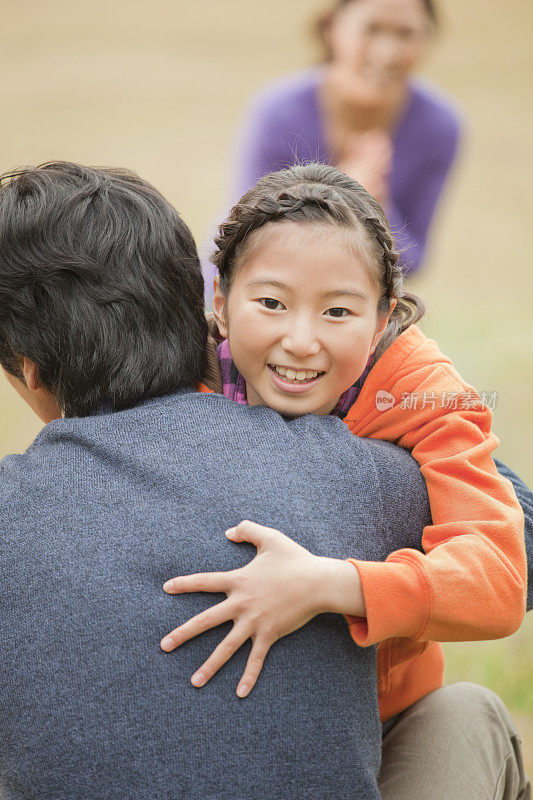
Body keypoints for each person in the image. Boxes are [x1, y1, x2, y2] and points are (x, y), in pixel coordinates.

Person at [0, 160, 463, 799]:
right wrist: (425, 391)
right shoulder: (344, 466)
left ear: (32, 372)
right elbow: (514, 529)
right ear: (205, 307)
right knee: (468, 715)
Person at [159, 163, 532, 797]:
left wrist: (330, 584)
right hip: (209, 730)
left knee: (467, 710)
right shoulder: (170, 377)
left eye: (337, 311)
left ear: (384, 315)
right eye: (271, 303)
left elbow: (497, 579)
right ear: (219, 300)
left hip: (382, 723)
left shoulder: (420, 393)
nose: (300, 341)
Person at [203, 0, 460, 306]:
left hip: (345, 312)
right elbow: (246, 240)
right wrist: (344, 194)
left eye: (406, 34)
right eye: (371, 29)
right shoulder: (278, 110)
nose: (386, 52)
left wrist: (379, 205)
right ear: (331, 27)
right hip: (249, 299)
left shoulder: (439, 126)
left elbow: (412, 264)